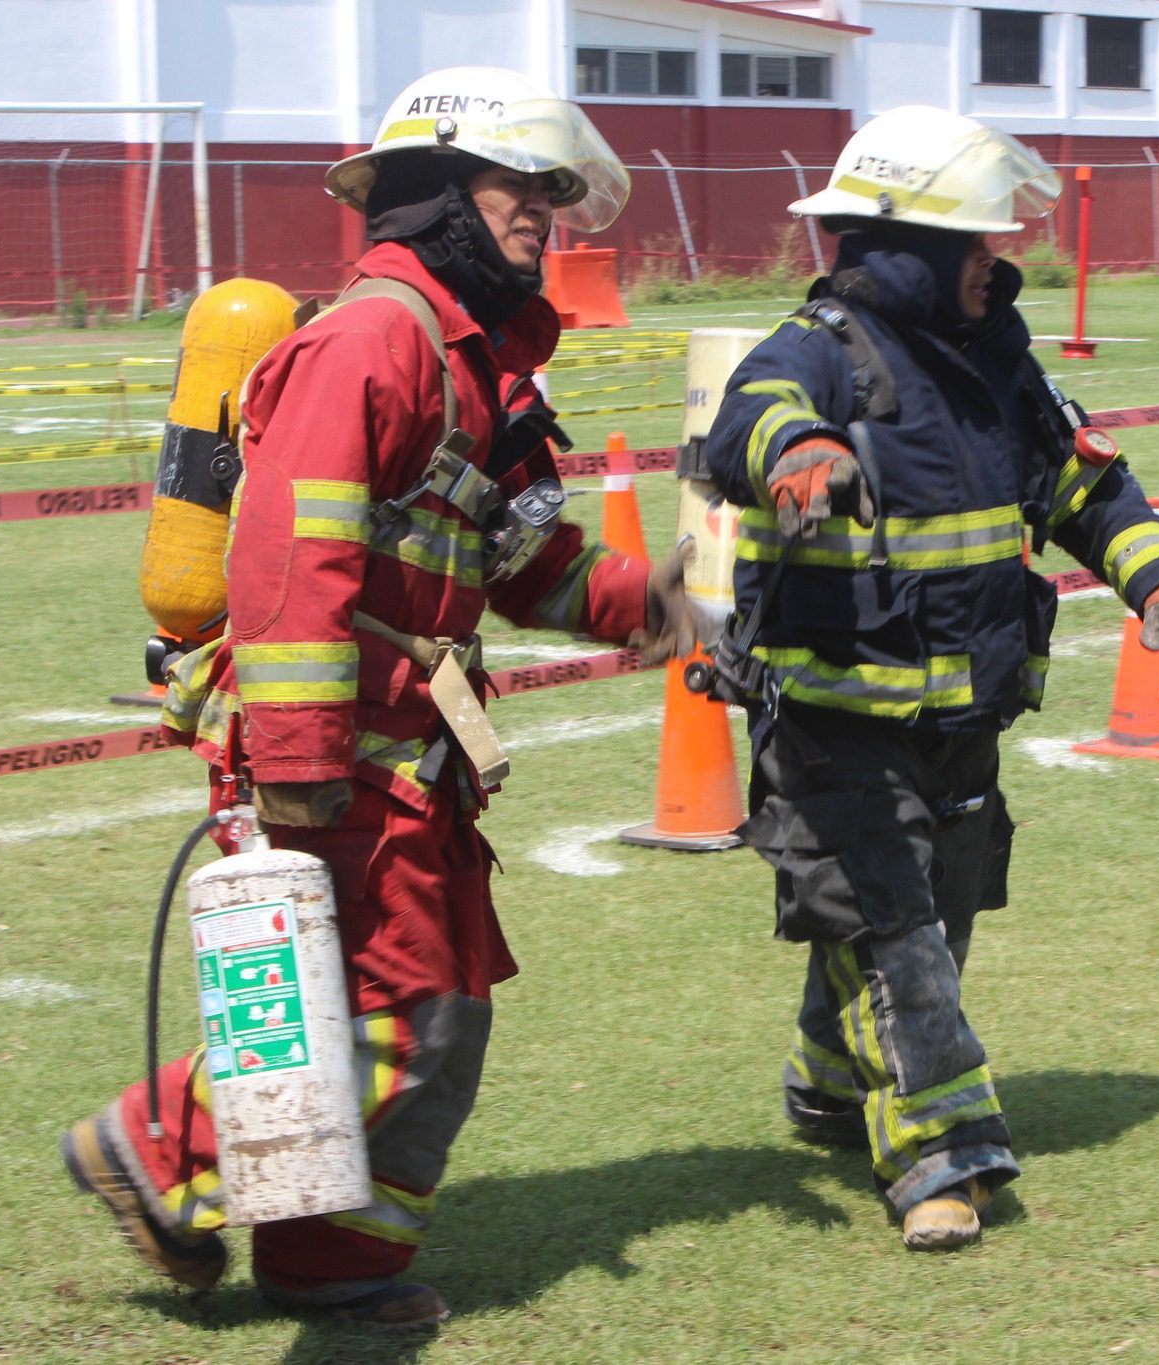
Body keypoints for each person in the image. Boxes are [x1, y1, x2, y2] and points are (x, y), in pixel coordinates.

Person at [61, 66, 696, 1331]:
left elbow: (515, 553)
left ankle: (329, 1261)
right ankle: (159, 1143)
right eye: (526, 186)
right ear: (442, 192)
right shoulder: (372, 341)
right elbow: (288, 558)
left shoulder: (468, 364)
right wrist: (298, 757)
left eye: (554, 195)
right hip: (338, 758)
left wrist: (652, 603)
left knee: (437, 1010)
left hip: (410, 761)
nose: (548, 215)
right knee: (385, 1011)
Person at [702, 106, 1159, 1249]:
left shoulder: (997, 370)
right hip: (833, 719)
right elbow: (749, 417)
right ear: (913, 250)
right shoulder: (817, 351)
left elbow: (1084, 490)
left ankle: (830, 1083)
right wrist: (798, 452)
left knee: (939, 914)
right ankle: (942, 1157)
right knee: (895, 930)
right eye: (978, 242)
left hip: (964, 712)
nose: (1000, 259)